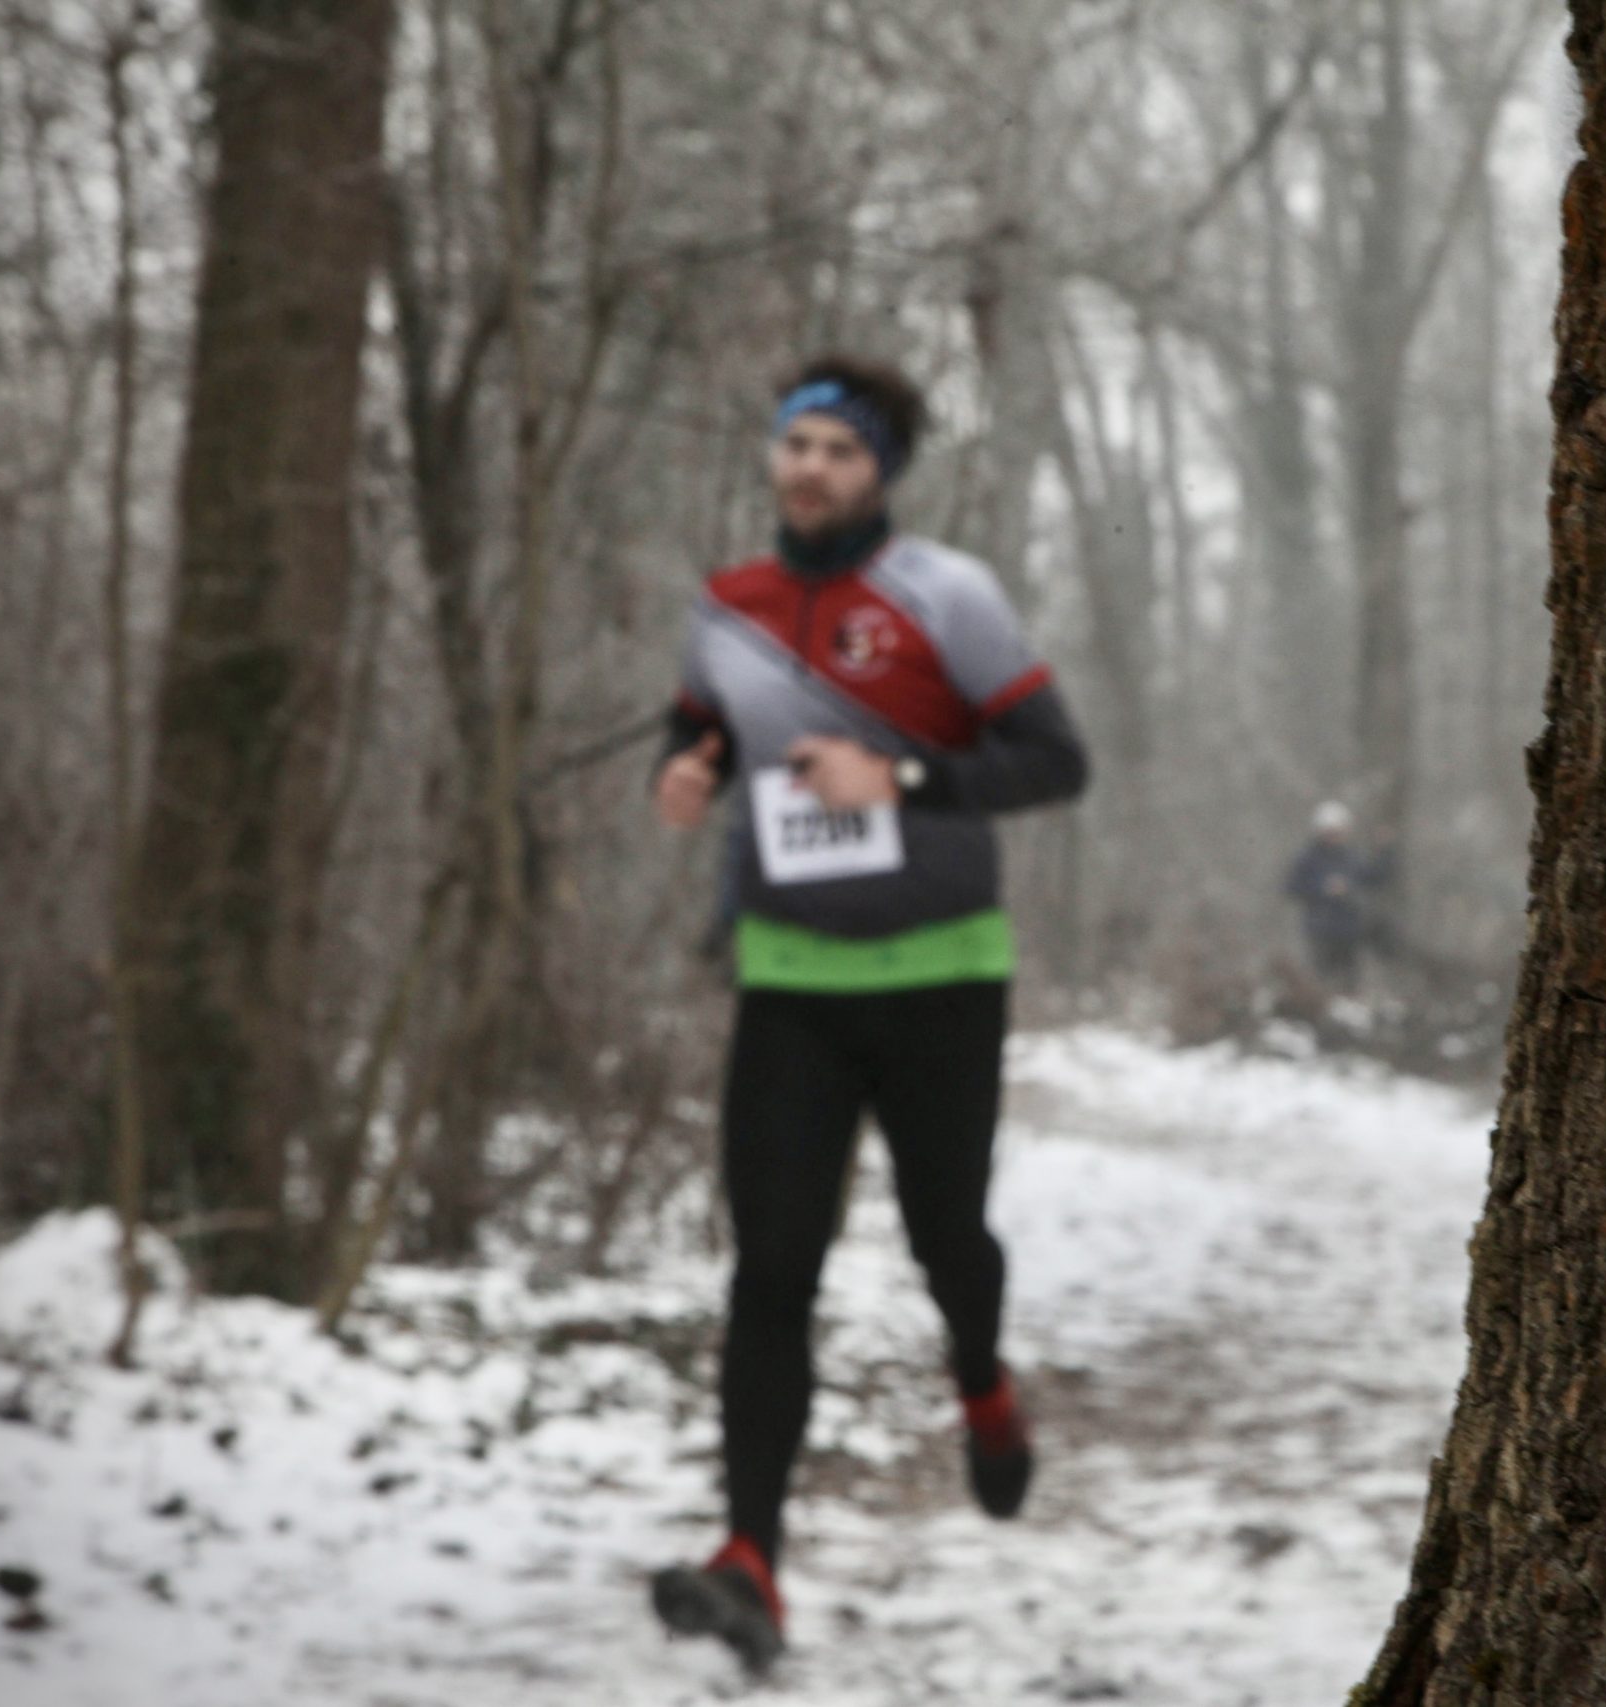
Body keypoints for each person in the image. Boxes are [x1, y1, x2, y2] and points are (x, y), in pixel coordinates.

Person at [646, 355, 1090, 1673]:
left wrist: (892, 770)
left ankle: (983, 1380)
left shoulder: (948, 595)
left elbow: (1054, 759)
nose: (813, 469)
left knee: (945, 1232)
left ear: (880, 470)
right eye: (798, 447)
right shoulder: (727, 607)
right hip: (791, 983)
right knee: (772, 1267)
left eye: (841, 450)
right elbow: (699, 736)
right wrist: (685, 772)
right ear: (774, 460)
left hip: (942, 975)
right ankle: (751, 1559)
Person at [1284, 800, 1391, 985]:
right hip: (1320, 930)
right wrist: (1323, 889)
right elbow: (1292, 887)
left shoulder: (1351, 857)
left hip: (1349, 929)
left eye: (1339, 832)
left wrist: (1385, 851)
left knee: (1350, 980)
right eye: (1330, 832)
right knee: (1321, 978)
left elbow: (1374, 878)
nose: (1335, 836)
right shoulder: (1308, 858)